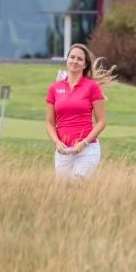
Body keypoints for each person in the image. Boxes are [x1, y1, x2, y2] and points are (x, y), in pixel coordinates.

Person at [45, 43, 116, 179]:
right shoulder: (54, 88)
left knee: (78, 183)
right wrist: (56, 142)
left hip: (87, 150)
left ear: (85, 64)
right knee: (63, 189)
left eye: (79, 59)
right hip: (63, 151)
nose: (75, 61)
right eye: (72, 57)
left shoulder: (92, 87)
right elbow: (49, 123)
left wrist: (84, 143)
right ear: (67, 60)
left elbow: (101, 122)